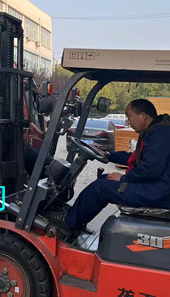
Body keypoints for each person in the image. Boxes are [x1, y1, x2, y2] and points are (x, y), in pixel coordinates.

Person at [63, 99, 170, 231]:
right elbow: (136, 158)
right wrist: (108, 155)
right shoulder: (154, 131)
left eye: (129, 116)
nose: (128, 121)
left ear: (143, 116)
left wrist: (123, 179)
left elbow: (150, 169)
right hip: (156, 187)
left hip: (158, 192)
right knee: (104, 179)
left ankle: (67, 224)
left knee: (100, 188)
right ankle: (76, 220)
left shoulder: (160, 134)